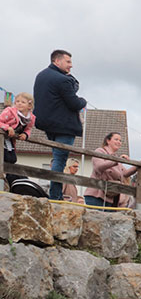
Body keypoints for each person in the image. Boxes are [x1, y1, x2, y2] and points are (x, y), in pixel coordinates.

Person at [32, 50, 86, 200]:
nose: (71, 65)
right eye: (68, 61)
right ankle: (55, 196)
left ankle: (55, 194)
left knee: (57, 158)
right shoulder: (63, 80)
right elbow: (75, 103)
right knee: (60, 160)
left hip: (47, 124)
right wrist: (83, 101)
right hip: (64, 126)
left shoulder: (41, 75)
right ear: (57, 61)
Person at [85, 132, 136, 207]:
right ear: (108, 141)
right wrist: (117, 160)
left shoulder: (115, 157)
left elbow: (125, 173)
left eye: (120, 140)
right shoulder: (100, 151)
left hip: (110, 197)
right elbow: (99, 166)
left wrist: (138, 166)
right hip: (96, 196)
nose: (119, 142)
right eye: (116, 139)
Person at [1, 92, 36, 168]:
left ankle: (7, 174)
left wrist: (25, 134)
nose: (19, 103)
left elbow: (28, 129)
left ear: (29, 106)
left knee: (12, 159)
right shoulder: (10, 111)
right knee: (4, 157)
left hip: (10, 139)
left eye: (23, 102)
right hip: (2, 137)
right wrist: (8, 127)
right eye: (17, 101)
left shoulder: (30, 118)